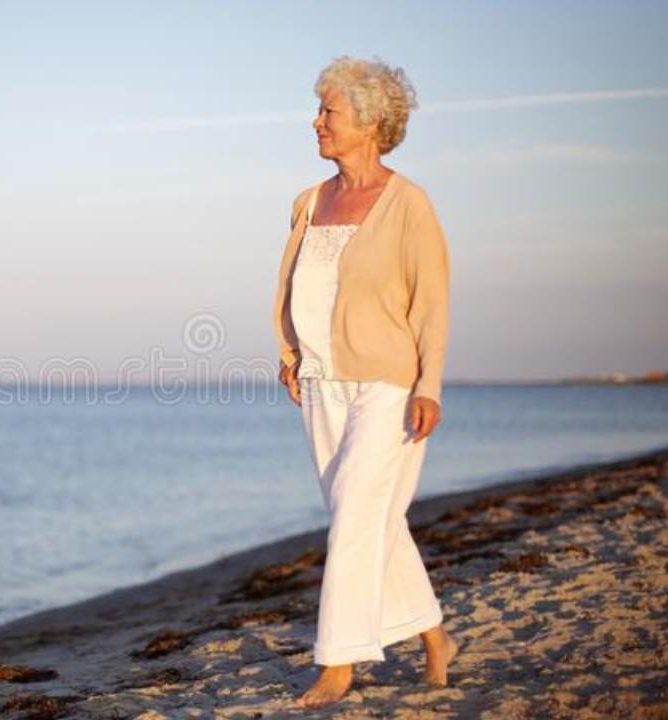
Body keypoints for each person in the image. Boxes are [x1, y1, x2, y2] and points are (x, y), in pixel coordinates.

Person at [271, 56, 460, 710]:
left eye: (329, 112)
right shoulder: (309, 202)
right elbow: (299, 286)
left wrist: (429, 383)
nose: (316, 122)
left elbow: (432, 301)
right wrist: (291, 351)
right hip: (323, 383)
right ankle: (435, 635)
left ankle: (338, 664)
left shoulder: (408, 205)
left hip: (389, 383)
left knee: (355, 513)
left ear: (371, 123)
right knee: (369, 518)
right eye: (320, 110)